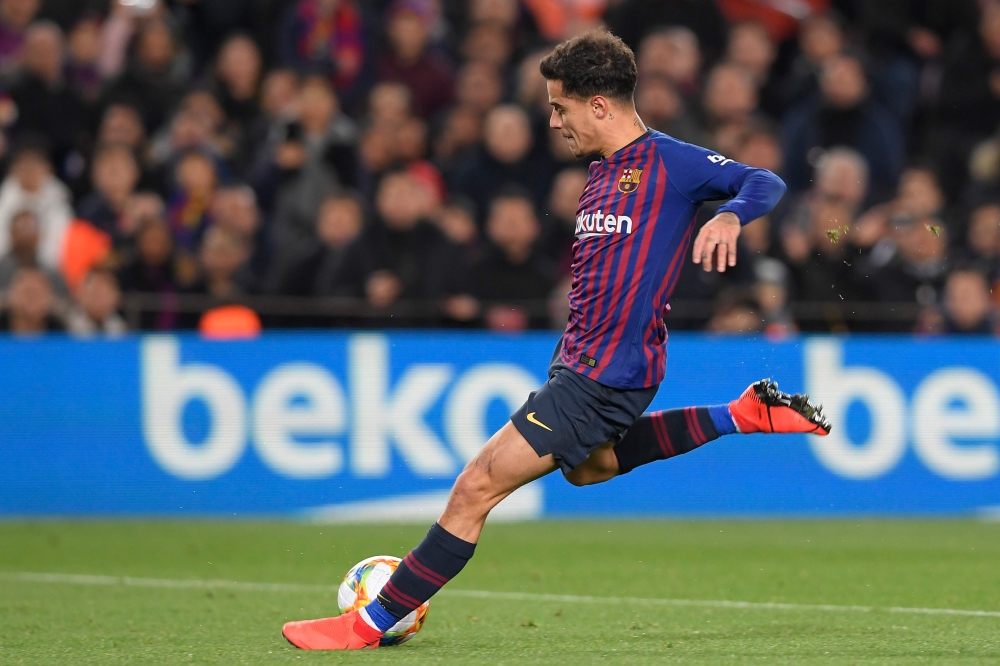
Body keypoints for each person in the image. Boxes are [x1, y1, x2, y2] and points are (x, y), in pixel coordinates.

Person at [281, 30, 831, 651]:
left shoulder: (670, 163)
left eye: (559, 106)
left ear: (598, 105)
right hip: (583, 364)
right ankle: (742, 413)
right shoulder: (599, 176)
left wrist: (729, 215)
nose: (552, 120)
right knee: (590, 469)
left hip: (605, 373)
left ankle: (366, 623)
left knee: (475, 488)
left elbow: (766, 181)